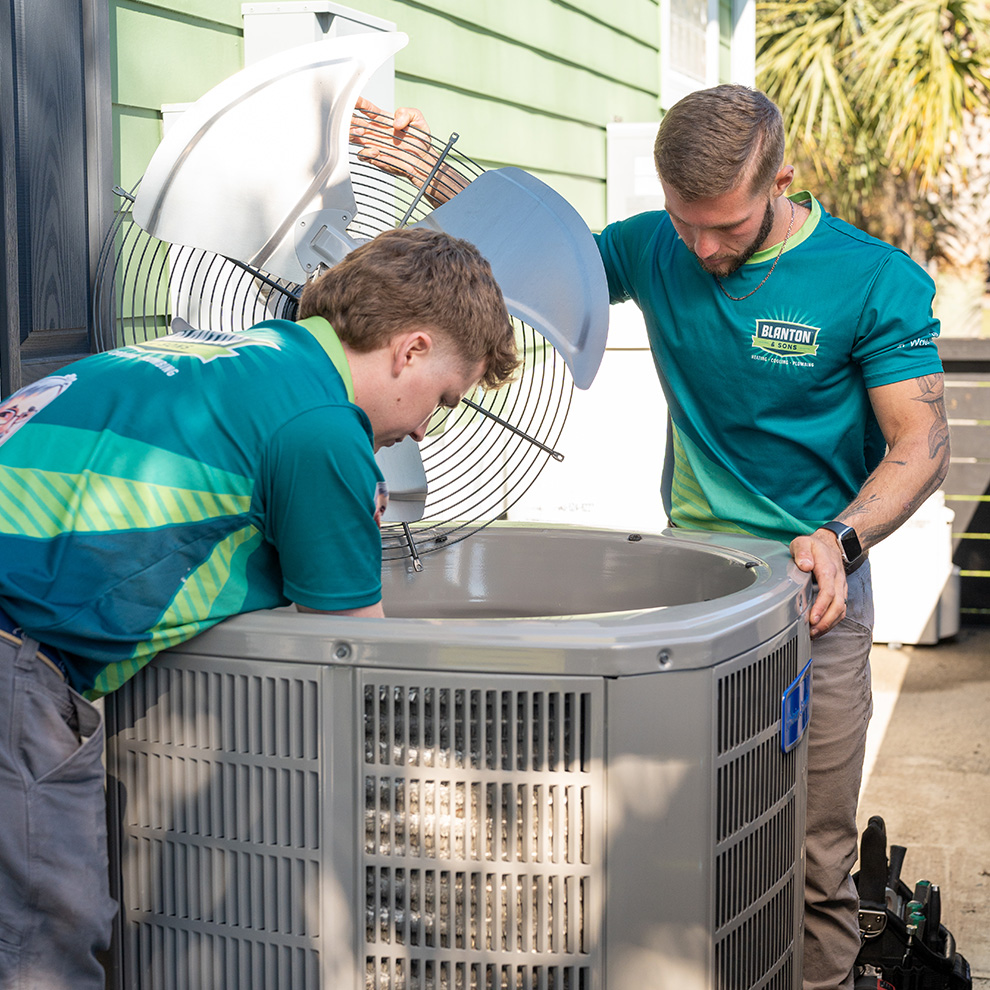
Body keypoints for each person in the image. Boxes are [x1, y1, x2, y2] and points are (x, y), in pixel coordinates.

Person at [351, 86, 950, 990]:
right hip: (694, 585)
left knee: (812, 860)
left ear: (783, 179)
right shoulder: (654, 244)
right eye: (685, 223)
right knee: (680, 843)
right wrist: (436, 171)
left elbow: (922, 442)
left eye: (727, 226)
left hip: (816, 588)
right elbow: (543, 262)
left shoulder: (871, 281)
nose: (703, 248)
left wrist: (841, 538)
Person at [0, 226, 518, 990]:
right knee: (44, 939)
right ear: (408, 350)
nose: (423, 427)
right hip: (18, 667)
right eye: (441, 397)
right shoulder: (318, 426)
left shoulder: (217, 355)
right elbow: (354, 653)